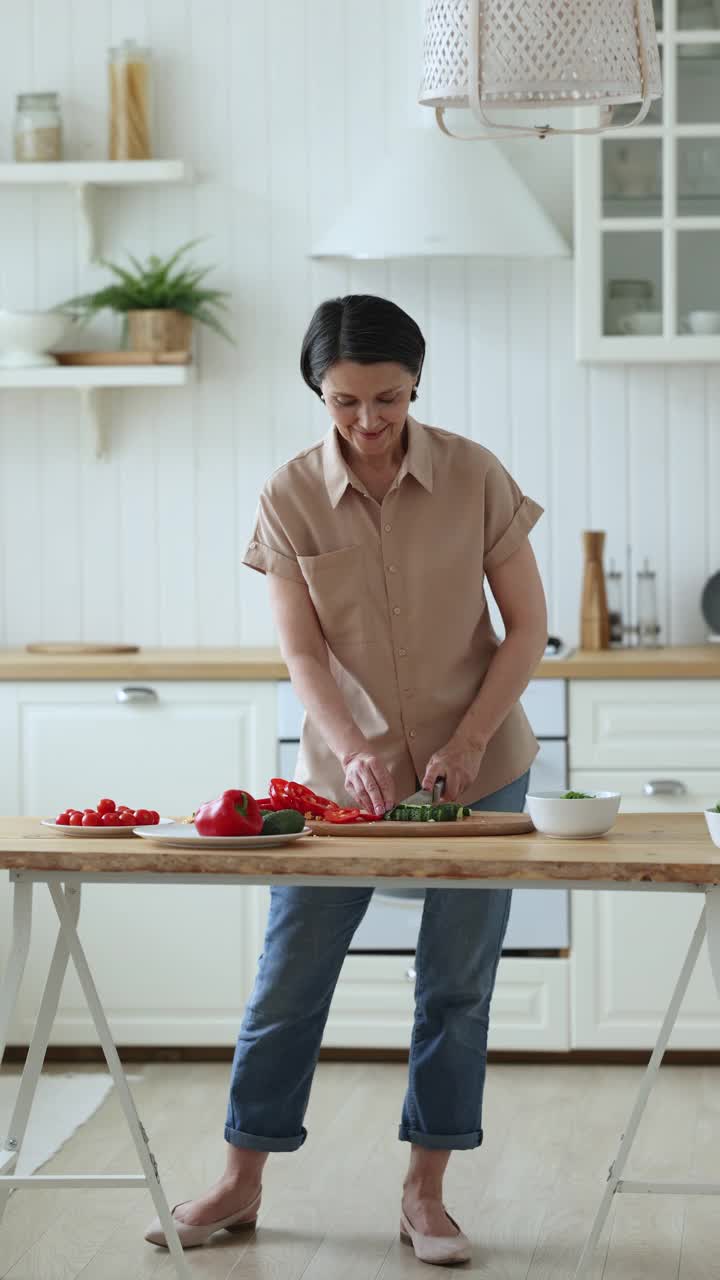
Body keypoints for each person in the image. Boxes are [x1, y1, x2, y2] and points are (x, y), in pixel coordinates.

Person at [145, 293, 548, 1266]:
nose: (367, 422)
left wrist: (469, 736)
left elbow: (527, 626)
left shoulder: (475, 477)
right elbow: (306, 655)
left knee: (455, 986)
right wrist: (357, 744)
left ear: (416, 384)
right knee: (290, 976)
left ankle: (427, 1191)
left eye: (388, 399)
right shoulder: (287, 496)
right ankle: (241, 1180)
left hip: (480, 771)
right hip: (336, 781)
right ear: (317, 393)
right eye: (344, 402)